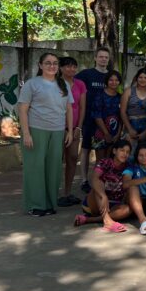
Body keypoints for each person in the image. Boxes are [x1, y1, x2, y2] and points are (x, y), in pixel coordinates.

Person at [18, 52, 74, 216]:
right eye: (48, 63)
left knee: (53, 169)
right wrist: (26, 133)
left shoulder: (63, 84)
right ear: (40, 65)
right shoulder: (32, 84)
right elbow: (22, 109)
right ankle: (35, 205)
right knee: (35, 168)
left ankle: (50, 203)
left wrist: (69, 131)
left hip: (57, 132)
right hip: (36, 130)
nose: (52, 66)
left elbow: (69, 109)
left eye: (55, 63)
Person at [73, 140, 133, 232]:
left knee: (128, 210)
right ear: (114, 151)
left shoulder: (129, 167)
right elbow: (94, 179)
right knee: (98, 183)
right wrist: (103, 195)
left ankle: (89, 219)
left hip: (113, 205)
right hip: (95, 201)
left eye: (127, 152)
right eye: (122, 150)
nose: (125, 154)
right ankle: (107, 221)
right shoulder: (105, 162)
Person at [76, 47, 110, 191]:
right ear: (95, 58)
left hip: (106, 120)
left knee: (103, 151)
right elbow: (74, 88)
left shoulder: (112, 75)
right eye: (101, 57)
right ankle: (84, 180)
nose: (103, 59)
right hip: (89, 118)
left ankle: (101, 179)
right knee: (86, 149)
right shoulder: (86, 74)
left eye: (106, 57)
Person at [58, 56, 86, 207]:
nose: (71, 69)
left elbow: (82, 107)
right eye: (68, 66)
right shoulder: (56, 83)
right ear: (61, 68)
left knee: (73, 157)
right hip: (57, 128)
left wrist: (78, 127)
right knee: (56, 160)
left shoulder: (80, 84)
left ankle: (67, 193)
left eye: (74, 66)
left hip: (74, 128)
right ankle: (52, 192)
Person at [120, 68, 146, 153]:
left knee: (144, 154)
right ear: (136, 78)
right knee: (129, 154)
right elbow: (123, 112)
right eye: (140, 77)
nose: (143, 80)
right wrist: (130, 129)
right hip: (130, 124)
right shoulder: (128, 91)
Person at [90, 70, 123, 160]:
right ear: (107, 81)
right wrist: (106, 133)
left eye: (116, 80)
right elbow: (97, 115)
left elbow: (122, 117)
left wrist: (118, 134)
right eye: (111, 80)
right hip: (100, 133)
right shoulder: (99, 95)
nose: (114, 82)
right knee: (101, 162)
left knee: (111, 161)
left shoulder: (121, 97)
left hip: (115, 135)